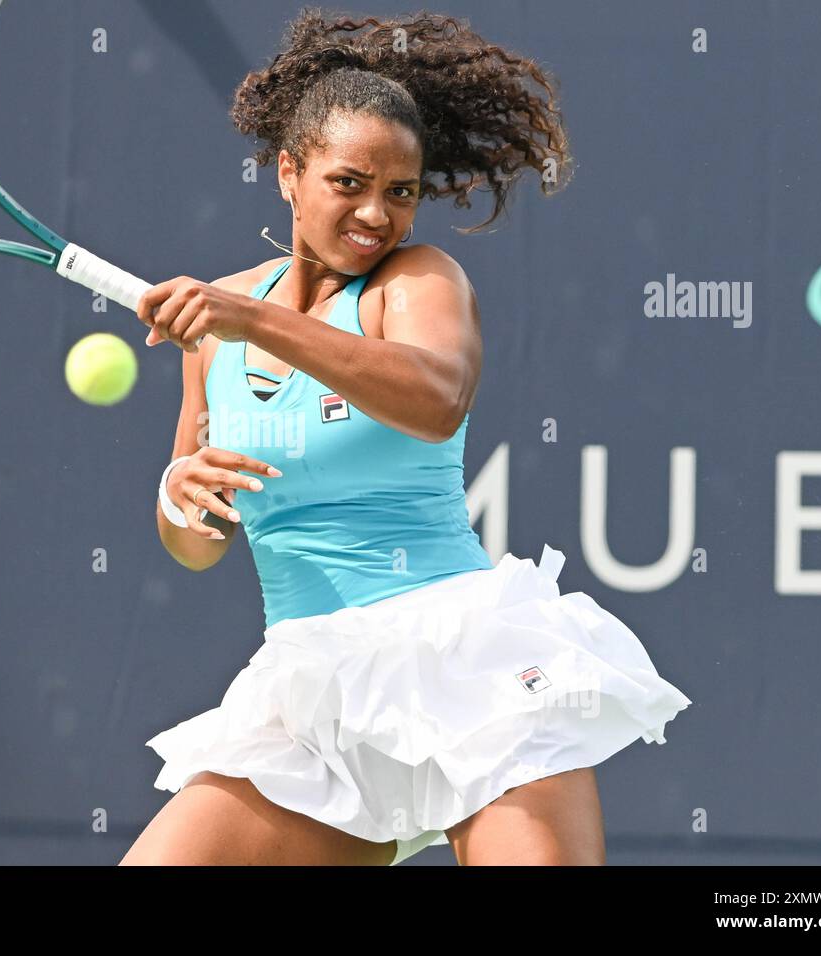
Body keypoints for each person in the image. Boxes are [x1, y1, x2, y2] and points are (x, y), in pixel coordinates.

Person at [121, 9, 690, 866]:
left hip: (467, 666)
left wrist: (255, 322)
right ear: (288, 172)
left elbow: (436, 397)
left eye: (400, 192)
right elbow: (195, 545)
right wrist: (179, 494)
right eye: (348, 183)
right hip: (309, 692)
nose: (375, 214)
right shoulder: (215, 327)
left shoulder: (418, 280)